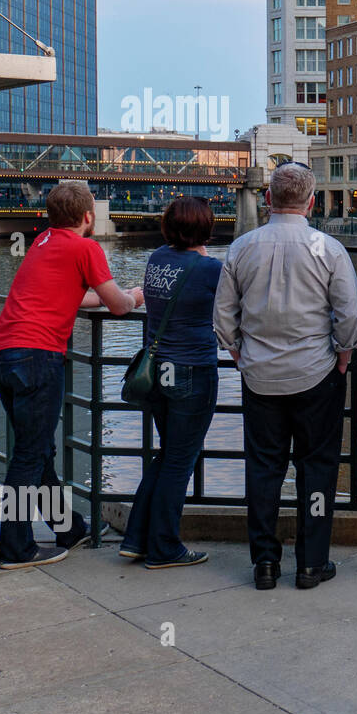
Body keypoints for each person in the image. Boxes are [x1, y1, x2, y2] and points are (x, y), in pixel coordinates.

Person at [213, 163, 357, 590]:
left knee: (263, 469)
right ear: (312, 202)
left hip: (259, 376)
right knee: (316, 469)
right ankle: (312, 563)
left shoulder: (241, 248)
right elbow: (349, 317)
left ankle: (264, 562)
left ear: (268, 200)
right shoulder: (329, 249)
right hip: (317, 374)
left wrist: (239, 352)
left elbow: (223, 317)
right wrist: (344, 355)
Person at [0, 181, 144, 570]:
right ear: (89, 216)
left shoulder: (42, 243)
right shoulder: (85, 247)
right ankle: (15, 548)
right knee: (28, 455)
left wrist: (116, 295)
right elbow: (119, 306)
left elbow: (77, 297)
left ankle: (68, 528)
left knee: (38, 449)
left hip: (2, 352)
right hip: (36, 357)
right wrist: (140, 293)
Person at [119, 198, 222, 570]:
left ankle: (136, 539)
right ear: (206, 228)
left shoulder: (157, 258)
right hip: (193, 370)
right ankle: (164, 548)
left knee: (167, 454)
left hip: (158, 371)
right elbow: (229, 310)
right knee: (180, 460)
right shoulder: (212, 269)